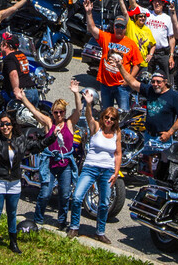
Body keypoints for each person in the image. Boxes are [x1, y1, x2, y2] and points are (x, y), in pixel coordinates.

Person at [0, 108, 57, 256]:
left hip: (14, 182)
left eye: (8, 124)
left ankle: (13, 242)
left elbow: (38, 145)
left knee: (12, 214)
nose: (5, 127)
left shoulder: (20, 140)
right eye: (2, 124)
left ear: (12, 125)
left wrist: (52, 137)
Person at [16, 82, 82, 229]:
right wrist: (23, 98)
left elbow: (79, 109)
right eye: (56, 112)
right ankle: (38, 219)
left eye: (61, 112)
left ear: (64, 112)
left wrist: (76, 93)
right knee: (45, 193)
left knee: (65, 195)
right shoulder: (48, 123)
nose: (58, 115)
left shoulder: (70, 123)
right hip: (50, 163)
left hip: (65, 164)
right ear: (52, 113)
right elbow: (34, 111)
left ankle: (62, 221)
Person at [67, 88, 121, 243]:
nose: (108, 120)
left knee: (104, 203)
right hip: (90, 168)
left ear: (115, 120)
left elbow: (118, 154)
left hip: (107, 170)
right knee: (77, 197)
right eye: (106, 117)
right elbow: (89, 117)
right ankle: (74, 227)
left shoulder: (117, 133)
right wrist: (88, 104)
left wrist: (116, 172)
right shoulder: (96, 128)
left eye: (112, 118)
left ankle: (100, 231)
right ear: (103, 117)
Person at [83, 0, 142, 110]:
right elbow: (92, 28)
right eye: (117, 26)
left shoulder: (131, 44)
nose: (119, 29)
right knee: (106, 114)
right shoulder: (107, 37)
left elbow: (137, 64)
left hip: (122, 86)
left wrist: (129, 79)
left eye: (122, 27)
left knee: (123, 113)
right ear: (114, 27)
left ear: (125, 28)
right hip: (105, 85)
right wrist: (89, 12)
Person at [118, 67, 178, 153]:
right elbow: (132, 82)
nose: (155, 84)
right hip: (148, 136)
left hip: (163, 139)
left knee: (162, 165)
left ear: (165, 82)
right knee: (147, 164)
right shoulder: (150, 90)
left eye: (158, 82)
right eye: (153, 81)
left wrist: (169, 133)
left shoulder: (173, 96)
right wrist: (120, 66)